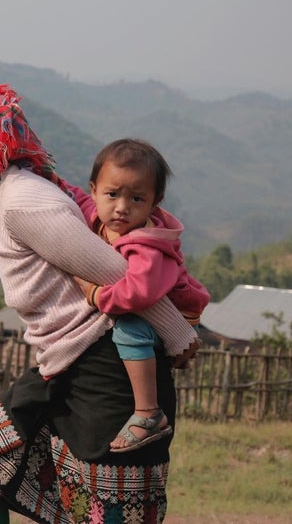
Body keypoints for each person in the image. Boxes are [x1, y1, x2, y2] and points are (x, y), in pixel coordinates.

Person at [0, 78, 200, 523]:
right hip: (65, 369)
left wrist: (179, 334)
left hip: (110, 378)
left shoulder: (22, 203)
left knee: (107, 513)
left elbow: (115, 273)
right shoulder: (14, 198)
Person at [85, 138, 210, 453]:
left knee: (129, 330)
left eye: (137, 198)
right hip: (154, 312)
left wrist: (97, 295)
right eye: (112, 194)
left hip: (177, 320)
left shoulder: (146, 245)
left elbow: (137, 295)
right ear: (94, 190)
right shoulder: (101, 217)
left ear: (155, 204)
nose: (122, 207)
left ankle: (148, 413)